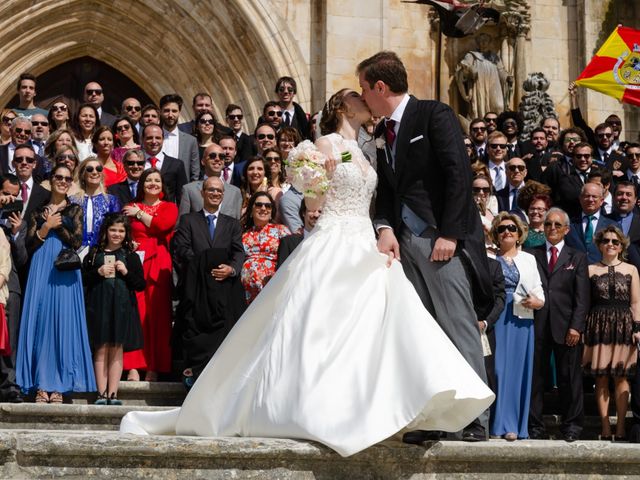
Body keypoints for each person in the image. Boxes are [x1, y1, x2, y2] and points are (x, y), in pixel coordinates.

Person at [120, 86, 494, 457]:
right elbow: (312, 205)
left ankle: (387, 407)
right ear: (342, 106)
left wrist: (383, 229)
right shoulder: (319, 146)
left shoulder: (370, 147)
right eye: (357, 96)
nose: (365, 99)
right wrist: (321, 179)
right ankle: (316, 408)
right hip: (332, 239)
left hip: (366, 240)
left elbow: (381, 199)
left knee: (381, 324)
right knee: (320, 325)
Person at [360, 51, 493, 442]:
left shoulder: (434, 114)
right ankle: (438, 416)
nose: (364, 96)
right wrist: (383, 227)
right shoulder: (384, 133)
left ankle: (473, 419)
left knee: (458, 325)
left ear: (380, 87)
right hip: (403, 244)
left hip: (440, 241)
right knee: (425, 332)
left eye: (365, 89)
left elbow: (457, 173)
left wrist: (449, 234)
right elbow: (387, 189)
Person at [16, 164, 96, 403]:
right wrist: (44, 227)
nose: (62, 181)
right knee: (40, 323)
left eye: (67, 178)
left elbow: (76, 241)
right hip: (41, 266)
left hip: (65, 270)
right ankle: (41, 385)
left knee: (63, 325)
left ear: (71, 182)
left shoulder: (75, 209)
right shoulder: (38, 210)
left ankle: (60, 386)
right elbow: (30, 244)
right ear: (50, 180)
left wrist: (57, 224)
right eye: (58, 177)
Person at [172, 176, 246, 383]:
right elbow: (182, 248)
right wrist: (204, 265)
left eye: (219, 191)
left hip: (223, 290)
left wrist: (231, 269)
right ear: (202, 193)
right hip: (196, 289)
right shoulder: (188, 220)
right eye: (211, 190)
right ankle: (193, 377)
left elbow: (239, 252)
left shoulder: (232, 224)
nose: (215, 194)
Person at [528, 207, 590, 442]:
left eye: (556, 225)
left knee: (570, 379)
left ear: (566, 229)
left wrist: (576, 327)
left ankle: (572, 426)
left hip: (567, 328)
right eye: (547, 225)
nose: (551, 228)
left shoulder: (577, 257)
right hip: (536, 325)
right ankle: (534, 425)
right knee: (536, 379)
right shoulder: (531, 254)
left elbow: (582, 298)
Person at [488, 213, 544, 441]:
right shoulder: (487, 256)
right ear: (495, 235)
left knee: (517, 373)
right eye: (501, 229)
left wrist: (538, 302)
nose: (507, 232)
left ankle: (513, 425)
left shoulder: (529, 259)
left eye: (512, 228)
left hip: (522, 318)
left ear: (520, 233)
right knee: (497, 370)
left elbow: (539, 291)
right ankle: (494, 424)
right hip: (497, 317)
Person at [582, 226, 640, 441]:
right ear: (599, 244)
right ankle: (605, 426)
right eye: (606, 241)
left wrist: (638, 328)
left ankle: (622, 426)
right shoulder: (590, 270)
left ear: (621, 245)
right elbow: (585, 302)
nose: (610, 245)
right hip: (598, 325)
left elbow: (635, 301)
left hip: (625, 325)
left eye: (615, 242)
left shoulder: (632, 269)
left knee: (622, 377)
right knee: (602, 377)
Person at [122, 169, 178, 382]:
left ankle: (154, 366)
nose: (153, 184)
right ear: (141, 184)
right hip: (136, 263)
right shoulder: (129, 205)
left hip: (159, 264)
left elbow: (163, 225)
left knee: (157, 316)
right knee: (136, 315)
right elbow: (123, 231)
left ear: (162, 186)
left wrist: (139, 214)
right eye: (149, 180)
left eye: (157, 180)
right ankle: (133, 366)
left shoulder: (169, 207)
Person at [83, 214, 145, 405]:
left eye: (121, 230)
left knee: (117, 348)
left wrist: (126, 272)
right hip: (99, 305)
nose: (116, 234)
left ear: (126, 233)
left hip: (122, 307)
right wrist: (98, 272)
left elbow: (140, 284)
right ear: (106, 231)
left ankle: (113, 393)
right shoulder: (94, 253)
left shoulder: (131, 256)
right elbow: (83, 279)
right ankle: (101, 394)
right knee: (101, 347)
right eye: (113, 230)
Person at [240, 191, 290, 304]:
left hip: (273, 288)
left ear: (272, 211)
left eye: (268, 206)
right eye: (259, 205)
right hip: (246, 293)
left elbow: (289, 257)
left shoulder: (281, 230)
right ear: (251, 210)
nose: (263, 208)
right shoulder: (242, 234)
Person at [71, 157, 121, 248]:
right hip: (77, 251)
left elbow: (117, 227)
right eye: (90, 169)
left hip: (102, 251)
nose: (95, 172)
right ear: (83, 174)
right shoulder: (73, 200)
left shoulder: (111, 201)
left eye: (99, 169)